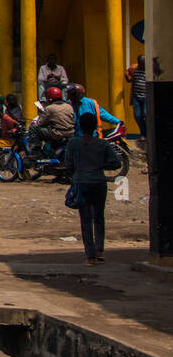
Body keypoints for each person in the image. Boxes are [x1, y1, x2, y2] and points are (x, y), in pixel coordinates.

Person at [65, 112, 123, 266]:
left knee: (85, 220)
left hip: (81, 182)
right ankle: (99, 251)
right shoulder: (102, 144)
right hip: (99, 182)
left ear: (80, 126)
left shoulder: (73, 143)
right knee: (98, 217)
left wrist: (77, 175)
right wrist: (100, 166)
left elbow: (68, 165)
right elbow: (116, 163)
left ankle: (90, 257)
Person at [126, 55, 147, 140]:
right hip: (136, 96)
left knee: (146, 114)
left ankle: (147, 133)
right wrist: (128, 76)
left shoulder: (149, 69)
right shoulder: (134, 68)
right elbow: (128, 76)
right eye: (141, 65)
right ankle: (143, 133)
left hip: (146, 96)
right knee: (138, 116)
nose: (143, 66)